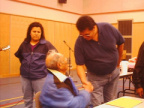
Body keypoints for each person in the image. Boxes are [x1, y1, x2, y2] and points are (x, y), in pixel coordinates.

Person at [74, 15, 125, 106]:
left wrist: (118, 62)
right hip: (95, 78)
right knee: (96, 104)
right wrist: (84, 81)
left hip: (113, 73)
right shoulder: (80, 41)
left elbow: (121, 43)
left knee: (111, 102)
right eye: (82, 35)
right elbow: (79, 65)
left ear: (94, 28)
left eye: (87, 34)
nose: (84, 37)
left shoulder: (108, 28)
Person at [15, 22, 57, 108]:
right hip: (25, 77)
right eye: (34, 31)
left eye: (39, 32)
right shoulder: (24, 44)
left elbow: (55, 57)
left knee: (42, 100)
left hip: (40, 77)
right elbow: (20, 57)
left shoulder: (46, 44)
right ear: (30, 32)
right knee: (27, 100)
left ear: (41, 33)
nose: (36, 34)